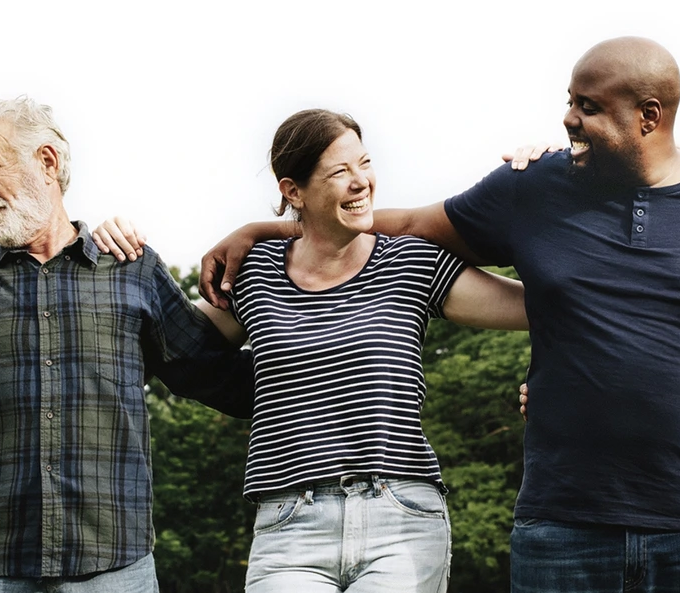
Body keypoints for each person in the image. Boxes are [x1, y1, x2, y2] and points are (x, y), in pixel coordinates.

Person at [199, 37, 680, 591]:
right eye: (569, 100)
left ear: (650, 116)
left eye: (587, 107)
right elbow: (418, 224)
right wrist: (271, 226)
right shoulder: (532, 187)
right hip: (561, 517)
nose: (568, 119)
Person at [156, 109, 526, 592]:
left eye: (364, 163)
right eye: (339, 172)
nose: (361, 182)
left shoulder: (410, 259)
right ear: (293, 192)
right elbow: (176, 344)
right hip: (289, 525)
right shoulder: (254, 273)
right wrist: (124, 258)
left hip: (401, 517)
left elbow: (536, 309)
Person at [0, 96, 255, 592]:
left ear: (47, 162)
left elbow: (212, 372)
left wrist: (328, 358)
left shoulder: (132, 269)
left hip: (114, 564)